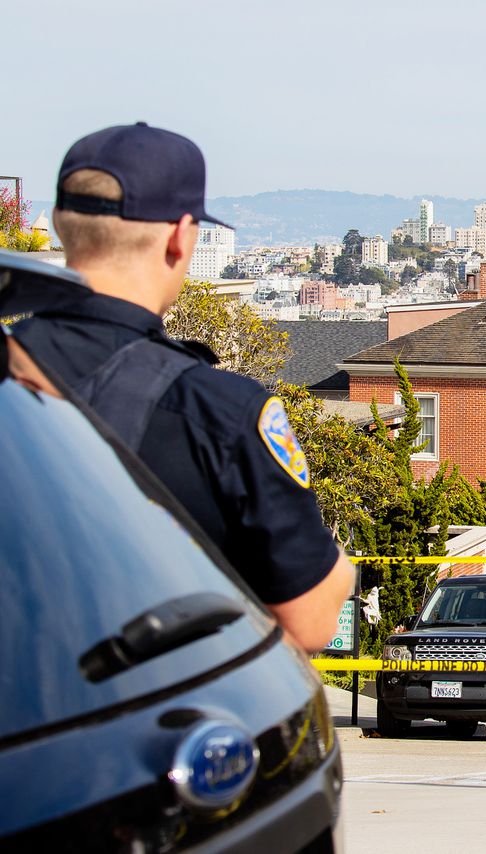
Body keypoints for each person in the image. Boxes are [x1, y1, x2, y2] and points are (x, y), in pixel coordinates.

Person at [14, 122, 353, 651]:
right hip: (127, 715)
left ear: (60, 223)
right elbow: (311, 622)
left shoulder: (14, 365)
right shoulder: (219, 413)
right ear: (181, 236)